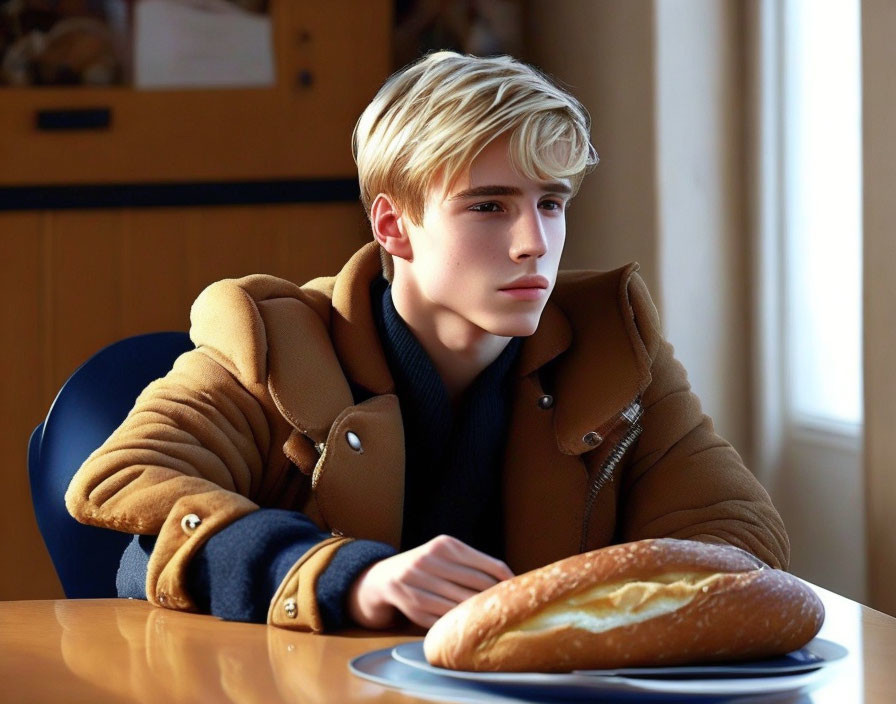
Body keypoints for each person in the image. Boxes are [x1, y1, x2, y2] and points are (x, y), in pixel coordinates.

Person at [65, 51, 789, 633]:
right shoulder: (271, 342)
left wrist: (583, 617)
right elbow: (124, 482)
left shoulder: (616, 347)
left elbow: (737, 535)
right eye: (489, 207)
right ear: (392, 227)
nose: (534, 243)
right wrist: (351, 577)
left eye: (551, 202)